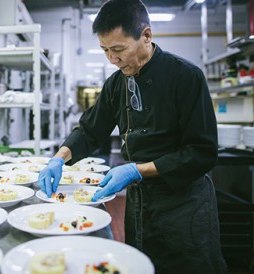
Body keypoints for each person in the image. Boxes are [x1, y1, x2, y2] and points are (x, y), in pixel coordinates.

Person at [37, 0, 227, 273]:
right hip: (140, 202)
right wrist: (58, 158)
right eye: (105, 50)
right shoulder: (116, 83)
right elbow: (91, 129)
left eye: (118, 49)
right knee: (142, 265)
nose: (112, 59)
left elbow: (202, 151)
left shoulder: (186, 77)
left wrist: (137, 170)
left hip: (184, 204)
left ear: (146, 36)